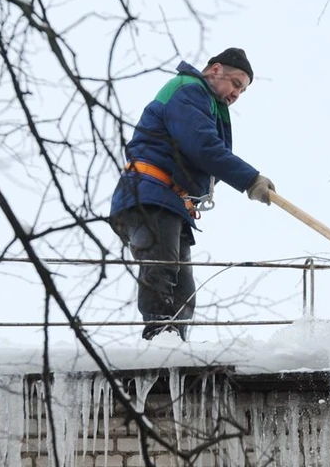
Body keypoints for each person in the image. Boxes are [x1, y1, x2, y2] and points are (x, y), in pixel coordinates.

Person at [109, 48, 276, 342]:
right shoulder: (188, 90)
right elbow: (203, 146)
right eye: (236, 83)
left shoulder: (204, 102)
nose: (237, 94)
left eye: (243, 90)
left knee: (182, 289)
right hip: (150, 194)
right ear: (214, 70)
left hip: (170, 201)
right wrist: (249, 179)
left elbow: (208, 153)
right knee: (162, 271)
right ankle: (159, 342)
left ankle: (173, 343)